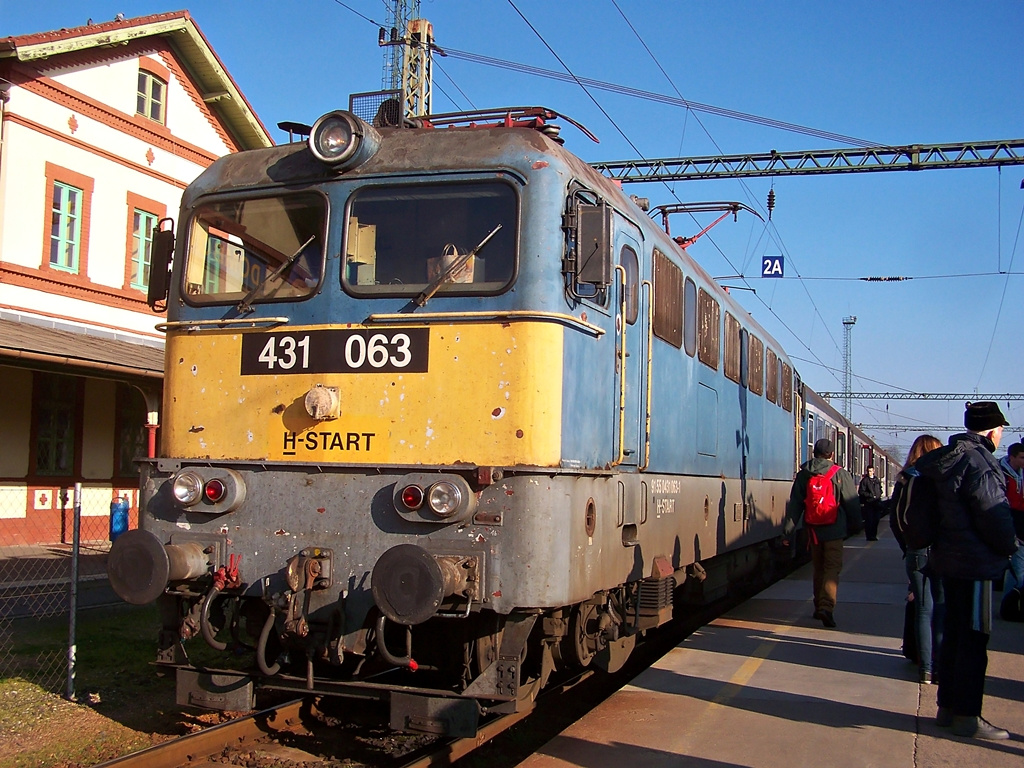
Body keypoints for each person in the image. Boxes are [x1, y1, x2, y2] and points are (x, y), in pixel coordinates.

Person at [915, 401, 1017, 740]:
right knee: (974, 640)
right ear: (991, 430)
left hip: (948, 560)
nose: (1001, 435)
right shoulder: (980, 462)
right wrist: (1010, 545)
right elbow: (993, 513)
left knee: (954, 635)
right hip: (975, 563)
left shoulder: (947, 458)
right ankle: (968, 716)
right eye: (1001, 429)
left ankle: (946, 708)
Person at [784, 438, 862, 628]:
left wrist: (787, 532)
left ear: (814, 453)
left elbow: (795, 505)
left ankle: (818, 605)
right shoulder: (840, 474)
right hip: (834, 530)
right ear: (832, 455)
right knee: (832, 568)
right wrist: (857, 526)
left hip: (813, 531)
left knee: (818, 568)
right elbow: (852, 504)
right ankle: (826, 607)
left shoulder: (804, 475)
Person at [890, 434, 945, 684]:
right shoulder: (943, 476)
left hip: (916, 552)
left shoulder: (905, 477)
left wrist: (908, 546)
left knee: (923, 608)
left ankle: (926, 669)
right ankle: (941, 664)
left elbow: (894, 520)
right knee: (942, 609)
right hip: (942, 552)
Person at [998, 442, 1024, 591]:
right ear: (1011, 457)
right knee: (1018, 570)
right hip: (1012, 524)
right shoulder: (1001, 474)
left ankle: (1012, 602)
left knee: (1015, 569)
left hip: (1019, 524)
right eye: (1022, 458)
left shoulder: (1020, 474)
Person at [859, 466, 884, 540]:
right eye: (868, 471)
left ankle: (874, 535)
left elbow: (880, 488)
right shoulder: (865, 481)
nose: (869, 472)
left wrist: (879, 494)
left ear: (873, 471)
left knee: (876, 520)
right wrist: (870, 495)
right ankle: (869, 536)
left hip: (876, 503)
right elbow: (861, 491)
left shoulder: (876, 480)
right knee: (869, 520)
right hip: (868, 503)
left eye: (871, 471)